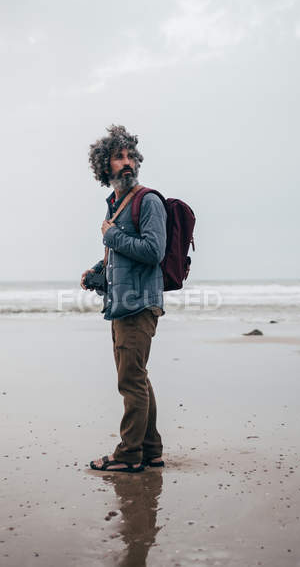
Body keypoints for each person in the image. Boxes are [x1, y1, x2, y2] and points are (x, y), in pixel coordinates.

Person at [81, 124, 167, 473]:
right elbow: (119, 260)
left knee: (130, 381)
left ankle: (128, 455)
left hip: (139, 305)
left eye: (131, 156)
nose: (127, 162)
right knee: (138, 378)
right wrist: (96, 274)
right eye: (119, 157)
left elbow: (153, 251)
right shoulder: (115, 204)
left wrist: (112, 236)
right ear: (105, 167)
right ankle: (151, 451)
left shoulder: (148, 201)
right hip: (119, 305)